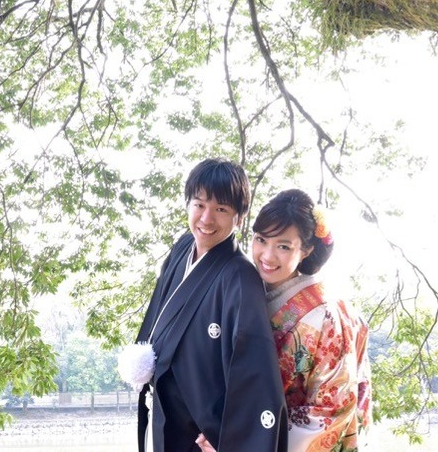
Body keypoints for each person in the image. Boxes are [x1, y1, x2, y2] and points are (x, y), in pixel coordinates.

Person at [130, 158, 288, 452]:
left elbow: (254, 368)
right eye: (199, 204)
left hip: (202, 434)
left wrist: (232, 440)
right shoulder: (182, 249)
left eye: (221, 209)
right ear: (188, 204)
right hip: (165, 414)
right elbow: (159, 311)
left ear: (238, 217)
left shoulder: (240, 277)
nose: (206, 219)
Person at [246, 188, 372, 452]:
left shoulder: (327, 313)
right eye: (261, 240)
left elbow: (331, 408)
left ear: (306, 250)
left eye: (283, 246)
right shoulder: (247, 292)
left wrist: (248, 439)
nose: (267, 256)